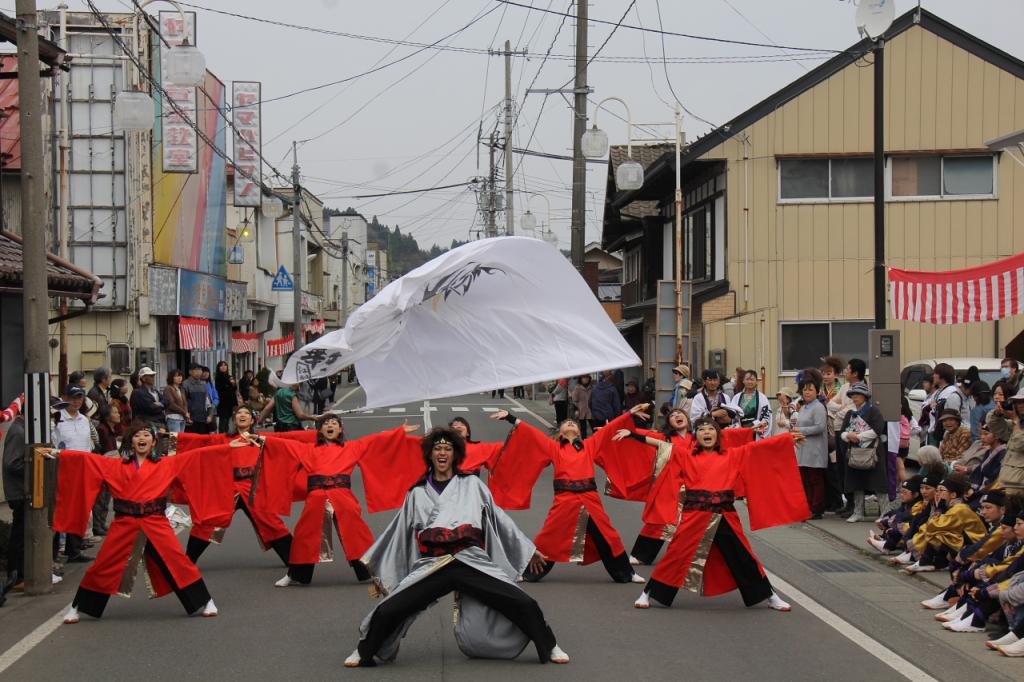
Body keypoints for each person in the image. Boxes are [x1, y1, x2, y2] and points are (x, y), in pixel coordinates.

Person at [344, 427, 568, 668]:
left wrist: (528, 548)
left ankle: (549, 645)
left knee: (522, 602)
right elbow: (398, 532)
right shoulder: (417, 493)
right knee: (390, 608)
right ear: (430, 454)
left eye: (447, 449)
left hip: (470, 560)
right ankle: (363, 651)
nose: (442, 453)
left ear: (455, 455)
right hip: (432, 564)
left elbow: (498, 517)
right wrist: (377, 564)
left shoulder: (471, 484)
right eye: (437, 448)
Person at [49, 423, 235, 623]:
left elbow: (199, 456)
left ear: (154, 442)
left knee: (177, 562)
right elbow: (87, 459)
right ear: (131, 441)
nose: (142, 438)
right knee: (104, 564)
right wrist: (58, 453)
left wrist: (229, 447)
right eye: (137, 435)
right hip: (125, 522)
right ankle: (78, 607)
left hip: (155, 521)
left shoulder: (166, 464)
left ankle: (205, 601)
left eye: (146, 435)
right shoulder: (115, 465)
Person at [625, 417, 805, 611]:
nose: (706, 433)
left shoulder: (732, 455)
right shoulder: (686, 455)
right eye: (702, 430)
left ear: (718, 435)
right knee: (676, 555)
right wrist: (633, 435)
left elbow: (759, 449)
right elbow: (661, 444)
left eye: (711, 429)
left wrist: (786, 439)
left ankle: (770, 596)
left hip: (724, 514)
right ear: (697, 436)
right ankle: (648, 593)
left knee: (743, 556)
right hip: (695, 515)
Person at [488, 406, 651, 584]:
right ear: (560, 432)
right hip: (565, 499)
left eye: (573, 423)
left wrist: (629, 413)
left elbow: (609, 430)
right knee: (548, 538)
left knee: (609, 536)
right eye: (566, 423)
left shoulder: (590, 445)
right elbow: (532, 433)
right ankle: (528, 573)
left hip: (590, 498)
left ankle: (626, 573)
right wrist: (510, 417)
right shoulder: (554, 447)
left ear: (580, 431)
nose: (571, 423)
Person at [262, 414, 422, 587]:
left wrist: (398, 432)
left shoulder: (352, 447)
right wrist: (261, 438)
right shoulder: (308, 449)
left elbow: (375, 441)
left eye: (334, 423)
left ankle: (373, 571)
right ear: (320, 429)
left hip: (343, 497)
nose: (330, 426)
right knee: (304, 535)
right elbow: (285, 445)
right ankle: (295, 574)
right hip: (316, 497)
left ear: (340, 429)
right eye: (326, 423)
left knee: (357, 535)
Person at [173, 405, 297, 565]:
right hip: (228, 487)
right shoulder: (222, 439)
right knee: (209, 522)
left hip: (252, 487)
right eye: (239, 413)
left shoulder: (261, 439)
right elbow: (198, 442)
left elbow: (292, 439)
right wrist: (170, 437)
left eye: (247, 413)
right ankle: (187, 562)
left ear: (252, 420)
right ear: (234, 419)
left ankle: (295, 563)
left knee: (270, 521)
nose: (242, 415)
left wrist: (317, 435)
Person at [837, 382, 889, 523]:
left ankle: (885, 513)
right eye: (853, 395)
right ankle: (858, 512)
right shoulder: (850, 413)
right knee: (856, 483)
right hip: (855, 453)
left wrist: (858, 436)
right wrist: (848, 436)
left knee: (879, 483)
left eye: (858, 394)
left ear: (865, 396)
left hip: (873, 452)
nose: (855, 397)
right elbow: (842, 432)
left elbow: (877, 430)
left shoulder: (874, 411)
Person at [792, 377, 828, 519]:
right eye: (805, 389)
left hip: (815, 449)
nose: (807, 392)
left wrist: (801, 430)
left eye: (810, 389)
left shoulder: (818, 407)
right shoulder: (804, 407)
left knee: (815, 479)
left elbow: (820, 427)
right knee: (806, 480)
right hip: (803, 448)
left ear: (817, 392)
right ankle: (807, 507)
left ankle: (817, 509)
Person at [447, 412, 519, 476]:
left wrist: (510, 418)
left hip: (470, 489)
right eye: (454, 426)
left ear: (468, 433)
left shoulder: (479, 448)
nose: (458, 427)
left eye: (462, 425)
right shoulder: (440, 449)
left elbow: (511, 446)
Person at [2, 414, 26, 591]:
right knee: (19, 534)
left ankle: (20, 574)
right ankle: (16, 575)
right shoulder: (18, 431)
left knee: (23, 533)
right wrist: (35, 465)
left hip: (22, 490)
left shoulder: (23, 429)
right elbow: (12, 463)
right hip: (19, 491)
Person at [90, 403, 121, 537]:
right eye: (115, 412)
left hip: (111, 465)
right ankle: (97, 525)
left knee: (107, 497)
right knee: (101, 498)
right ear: (108, 416)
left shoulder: (112, 429)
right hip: (103, 465)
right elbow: (105, 450)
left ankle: (101, 523)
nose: (118, 414)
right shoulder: (102, 429)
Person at [727, 370, 772, 439]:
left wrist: (756, 426)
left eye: (752, 379)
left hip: (756, 432)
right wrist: (739, 428)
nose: (749, 382)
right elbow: (733, 417)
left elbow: (766, 417)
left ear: (756, 381)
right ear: (743, 381)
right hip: (741, 432)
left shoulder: (762, 398)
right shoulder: (737, 397)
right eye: (747, 379)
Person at [214, 361, 239, 434]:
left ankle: (226, 435)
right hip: (222, 402)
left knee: (228, 419)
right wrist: (229, 385)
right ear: (218, 368)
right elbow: (221, 389)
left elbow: (234, 388)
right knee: (223, 420)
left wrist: (233, 384)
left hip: (230, 402)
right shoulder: (218, 377)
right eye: (221, 365)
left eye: (225, 365)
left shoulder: (229, 376)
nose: (223, 367)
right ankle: (222, 436)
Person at [163, 369, 188, 434]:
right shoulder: (168, 388)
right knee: (173, 441)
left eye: (180, 376)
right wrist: (184, 412)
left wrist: (186, 414)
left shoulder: (181, 389)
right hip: (173, 417)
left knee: (181, 439)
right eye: (176, 376)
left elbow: (185, 403)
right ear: (171, 377)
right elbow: (171, 404)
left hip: (182, 417)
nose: (179, 378)